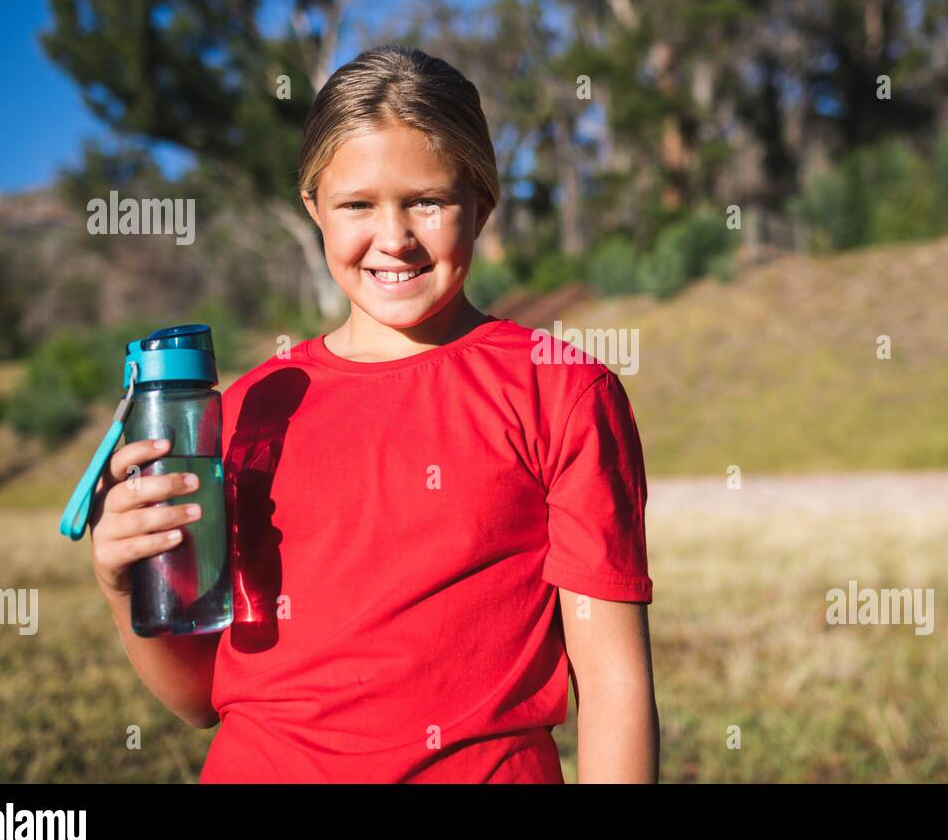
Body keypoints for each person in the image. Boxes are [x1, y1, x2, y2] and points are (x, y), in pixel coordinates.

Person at [87, 45, 658, 783]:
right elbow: (201, 695)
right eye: (358, 204)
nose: (394, 238)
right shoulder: (247, 409)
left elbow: (613, 684)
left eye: (428, 201)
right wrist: (120, 583)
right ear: (314, 209)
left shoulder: (561, 391)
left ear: (481, 203)